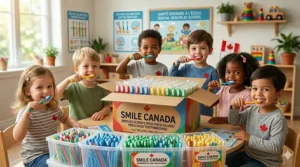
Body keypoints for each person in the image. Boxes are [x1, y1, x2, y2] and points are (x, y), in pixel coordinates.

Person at [12, 65, 85, 167]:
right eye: (39, 87)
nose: (46, 91)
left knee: (78, 158)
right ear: (27, 91)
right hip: (34, 157)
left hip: (53, 150)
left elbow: (64, 118)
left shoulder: (52, 107)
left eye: (49, 86)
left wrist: (74, 123)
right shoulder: (26, 111)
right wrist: (27, 114)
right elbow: (17, 136)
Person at [226, 65, 288, 167]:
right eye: (254, 88)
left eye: (266, 89)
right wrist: (234, 108)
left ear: (278, 94)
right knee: (221, 160)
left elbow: (275, 147)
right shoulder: (253, 109)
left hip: (266, 162)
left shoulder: (278, 120)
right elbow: (234, 121)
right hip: (248, 154)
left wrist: (249, 138)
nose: (258, 93)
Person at [169, 29, 218, 116]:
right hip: (185, 114)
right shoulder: (185, 68)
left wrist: (211, 89)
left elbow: (216, 97)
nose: (198, 52)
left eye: (203, 48)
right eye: (194, 48)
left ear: (210, 50)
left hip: (204, 115)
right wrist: (176, 64)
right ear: (189, 50)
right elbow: (171, 79)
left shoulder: (212, 72)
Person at [57, 47, 111, 120]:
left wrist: (101, 113)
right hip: (78, 127)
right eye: (86, 66)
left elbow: (107, 107)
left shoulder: (101, 88)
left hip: (95, 125)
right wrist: (68, 80)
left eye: (94, 66)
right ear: (76, 69)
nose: (91, 70)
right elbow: (56, 95)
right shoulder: (73, 87)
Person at [208, 52, 259, 124]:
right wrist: (211, 89)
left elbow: (247, 118)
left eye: (237, 72)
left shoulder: (248, 94)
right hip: (223, 129)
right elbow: (208, 104)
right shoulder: (223, 90)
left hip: (238, 131)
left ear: (246, 75)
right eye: (228, 72)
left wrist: (224, 119)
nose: (231, 76)